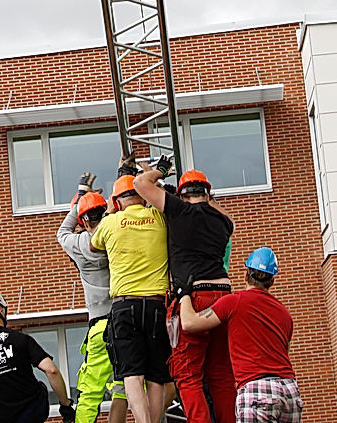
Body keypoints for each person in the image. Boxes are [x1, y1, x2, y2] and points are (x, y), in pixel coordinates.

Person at [134, 165, 236, 423]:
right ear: (207, 193)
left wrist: (158, 172)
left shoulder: (179, 210)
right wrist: (208, 200)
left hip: (193, 297)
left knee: (188, 375)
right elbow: (230, 219)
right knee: (221, 374)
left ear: (181, 195)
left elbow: (140, 184)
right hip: (223, 294)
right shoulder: (222, 221)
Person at [179, 248, 303, 423]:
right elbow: (284, 352)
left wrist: (184, 295)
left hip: (257, 390)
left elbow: (189, 323)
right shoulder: (285, 314)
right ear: (272, 281)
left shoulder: (234, 302)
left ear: (246, 275)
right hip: (289, 390)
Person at [89, 173, 170, 423]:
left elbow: (93, 245)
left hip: (125, 304)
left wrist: (111, 212)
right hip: (157, 304)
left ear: (117, 201)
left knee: (132, 374)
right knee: (157, 377)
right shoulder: (159, 217)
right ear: (143, 197)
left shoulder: (110, 223)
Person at [56, 173, 128, 423]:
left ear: (84, 221)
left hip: (99, 325)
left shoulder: (77, 244)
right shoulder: (116, 234)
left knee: (90, 392)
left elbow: (63, 230)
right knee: (124, 387)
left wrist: (81, 194)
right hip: (124, 319)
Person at [0, 289, 76, 423]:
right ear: (0, 310)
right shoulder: (20, 339)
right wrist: (65, 405)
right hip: (33, 414)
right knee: (40, 386)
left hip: (1, 420)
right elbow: (51, 370)